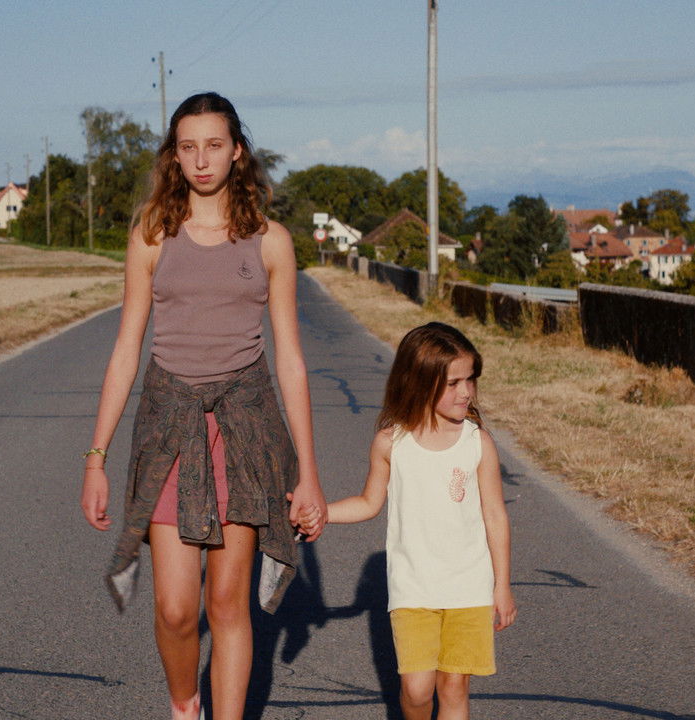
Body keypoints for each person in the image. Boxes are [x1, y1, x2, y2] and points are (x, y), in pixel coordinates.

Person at [80, 91, 327, 720]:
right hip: (168, 430)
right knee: (175, 609)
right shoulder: (151, 235)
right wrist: (96, 458)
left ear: (237, 151)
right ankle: (185, 704)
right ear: (174, 155)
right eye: (188, 147)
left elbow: (290, 362)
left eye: (214, 145)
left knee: (226, 602)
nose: (201, 159)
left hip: (244, 432)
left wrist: (308, 474)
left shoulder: (270, 242)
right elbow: (126, 351)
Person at [326, 321, 516, 720]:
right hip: (413, 589)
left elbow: (495, 515)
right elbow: (368, 503)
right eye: (453, 383)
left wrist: (502, 585)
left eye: (470, 379)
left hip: (469, 588)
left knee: (454, 687)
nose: (466, 392)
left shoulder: (477, 442)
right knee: (416, 691)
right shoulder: (391, 443)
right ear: (419, 382)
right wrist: (323, 513)